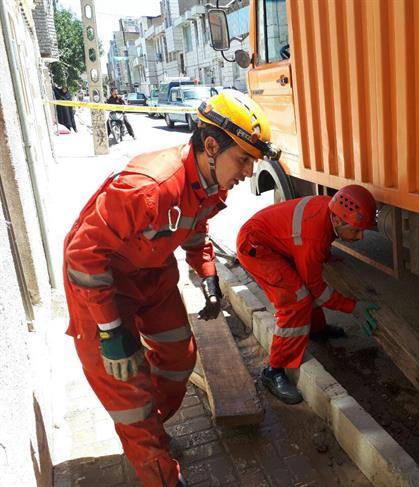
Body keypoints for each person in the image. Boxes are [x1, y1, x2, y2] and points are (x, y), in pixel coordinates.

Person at [63, 90, 277, 487]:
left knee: (180, 357)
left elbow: (196, 230)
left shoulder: (212, 183)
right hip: (103, 286)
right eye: (243, 159)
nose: (248, 172)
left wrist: (208, 277)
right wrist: (110, 332)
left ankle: (152, 437)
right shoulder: (149, 187)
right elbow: (82, 255)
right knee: (130, 392)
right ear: (211, 146)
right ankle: (158, 468)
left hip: (152, 270)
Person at [236, 185, 381, 404]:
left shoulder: (329, 211)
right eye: (356, 230)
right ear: (338, 221)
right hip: (256, 248)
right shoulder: (313, 238)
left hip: (271, 241)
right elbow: (318, 291)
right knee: (296, 300)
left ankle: (317, 330)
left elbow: (315, 244)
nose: (360, 237)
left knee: (303, 287)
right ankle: (274, 371)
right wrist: (353, 307)